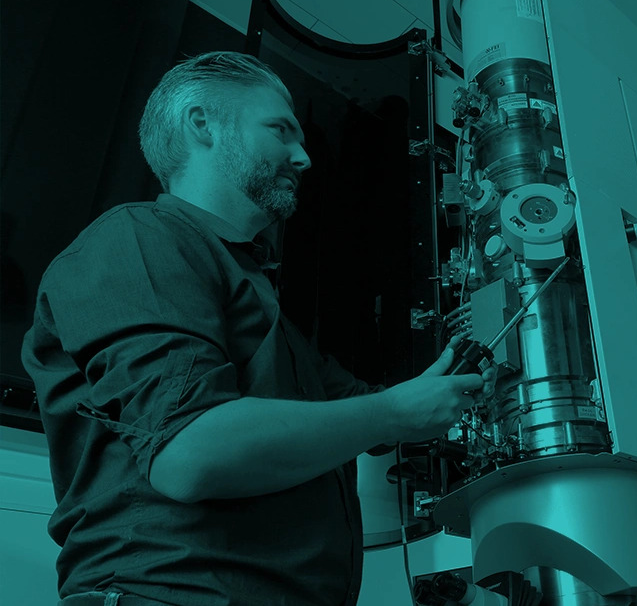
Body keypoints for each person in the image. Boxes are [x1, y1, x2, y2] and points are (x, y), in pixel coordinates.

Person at [21, 51, 491, 606]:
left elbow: (367, 411)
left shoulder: (259, 300)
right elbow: (191, 452)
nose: (304, 157)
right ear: (203, 125)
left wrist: (463, 372)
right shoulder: (140, 239)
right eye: (280, 130)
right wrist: (394, 412)